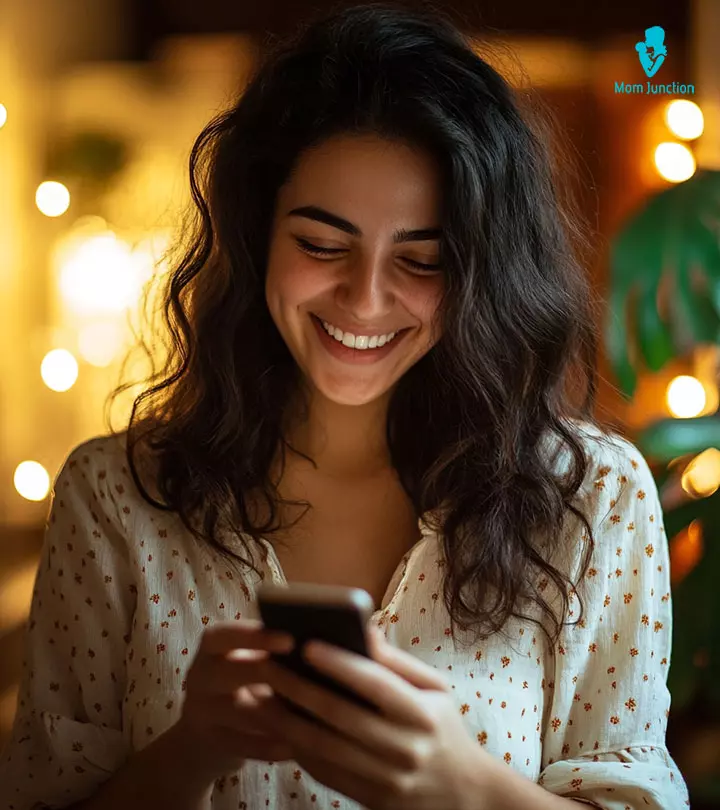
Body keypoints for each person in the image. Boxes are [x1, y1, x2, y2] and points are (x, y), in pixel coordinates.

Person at [0, 4, 689, 809]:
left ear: (480, 274)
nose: (364, 301)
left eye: (423, 260)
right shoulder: (117, 495)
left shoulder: (592, 499)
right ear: (257, 236)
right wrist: (192, 750)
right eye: (321, 246)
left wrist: (462, 786)